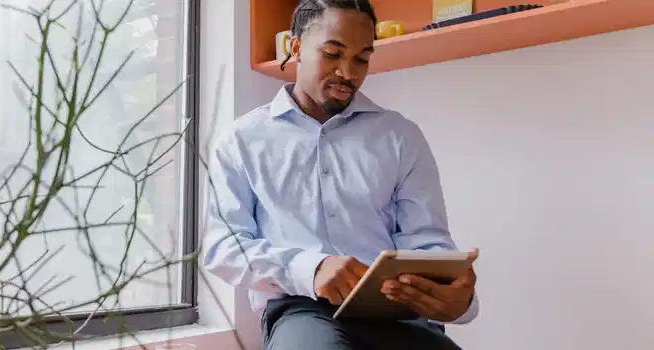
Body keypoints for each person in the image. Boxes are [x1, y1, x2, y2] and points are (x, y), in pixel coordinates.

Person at [200, 0, 479, 348]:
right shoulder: (242, 140)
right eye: (333, 54)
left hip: (397, 312)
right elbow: (222, 248)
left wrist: (456, 298)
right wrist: (311, 269)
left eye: (362, 58)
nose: (349, 73)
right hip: (302, 308)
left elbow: (426, 239)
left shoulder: (400, 136)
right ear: (296, 47)